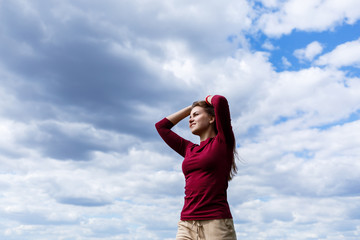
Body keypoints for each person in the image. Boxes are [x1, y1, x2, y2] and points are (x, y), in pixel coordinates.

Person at [155, 95, 237, 240]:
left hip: (216, 223)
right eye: (189, 117)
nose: (190, 120)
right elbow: (161, 127)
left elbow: (219, 101)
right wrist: (190, 109)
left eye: (196, 115)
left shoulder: (222, 142)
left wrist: (204, 100)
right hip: (187, 223)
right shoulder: (189, 149)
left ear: (212, 118)